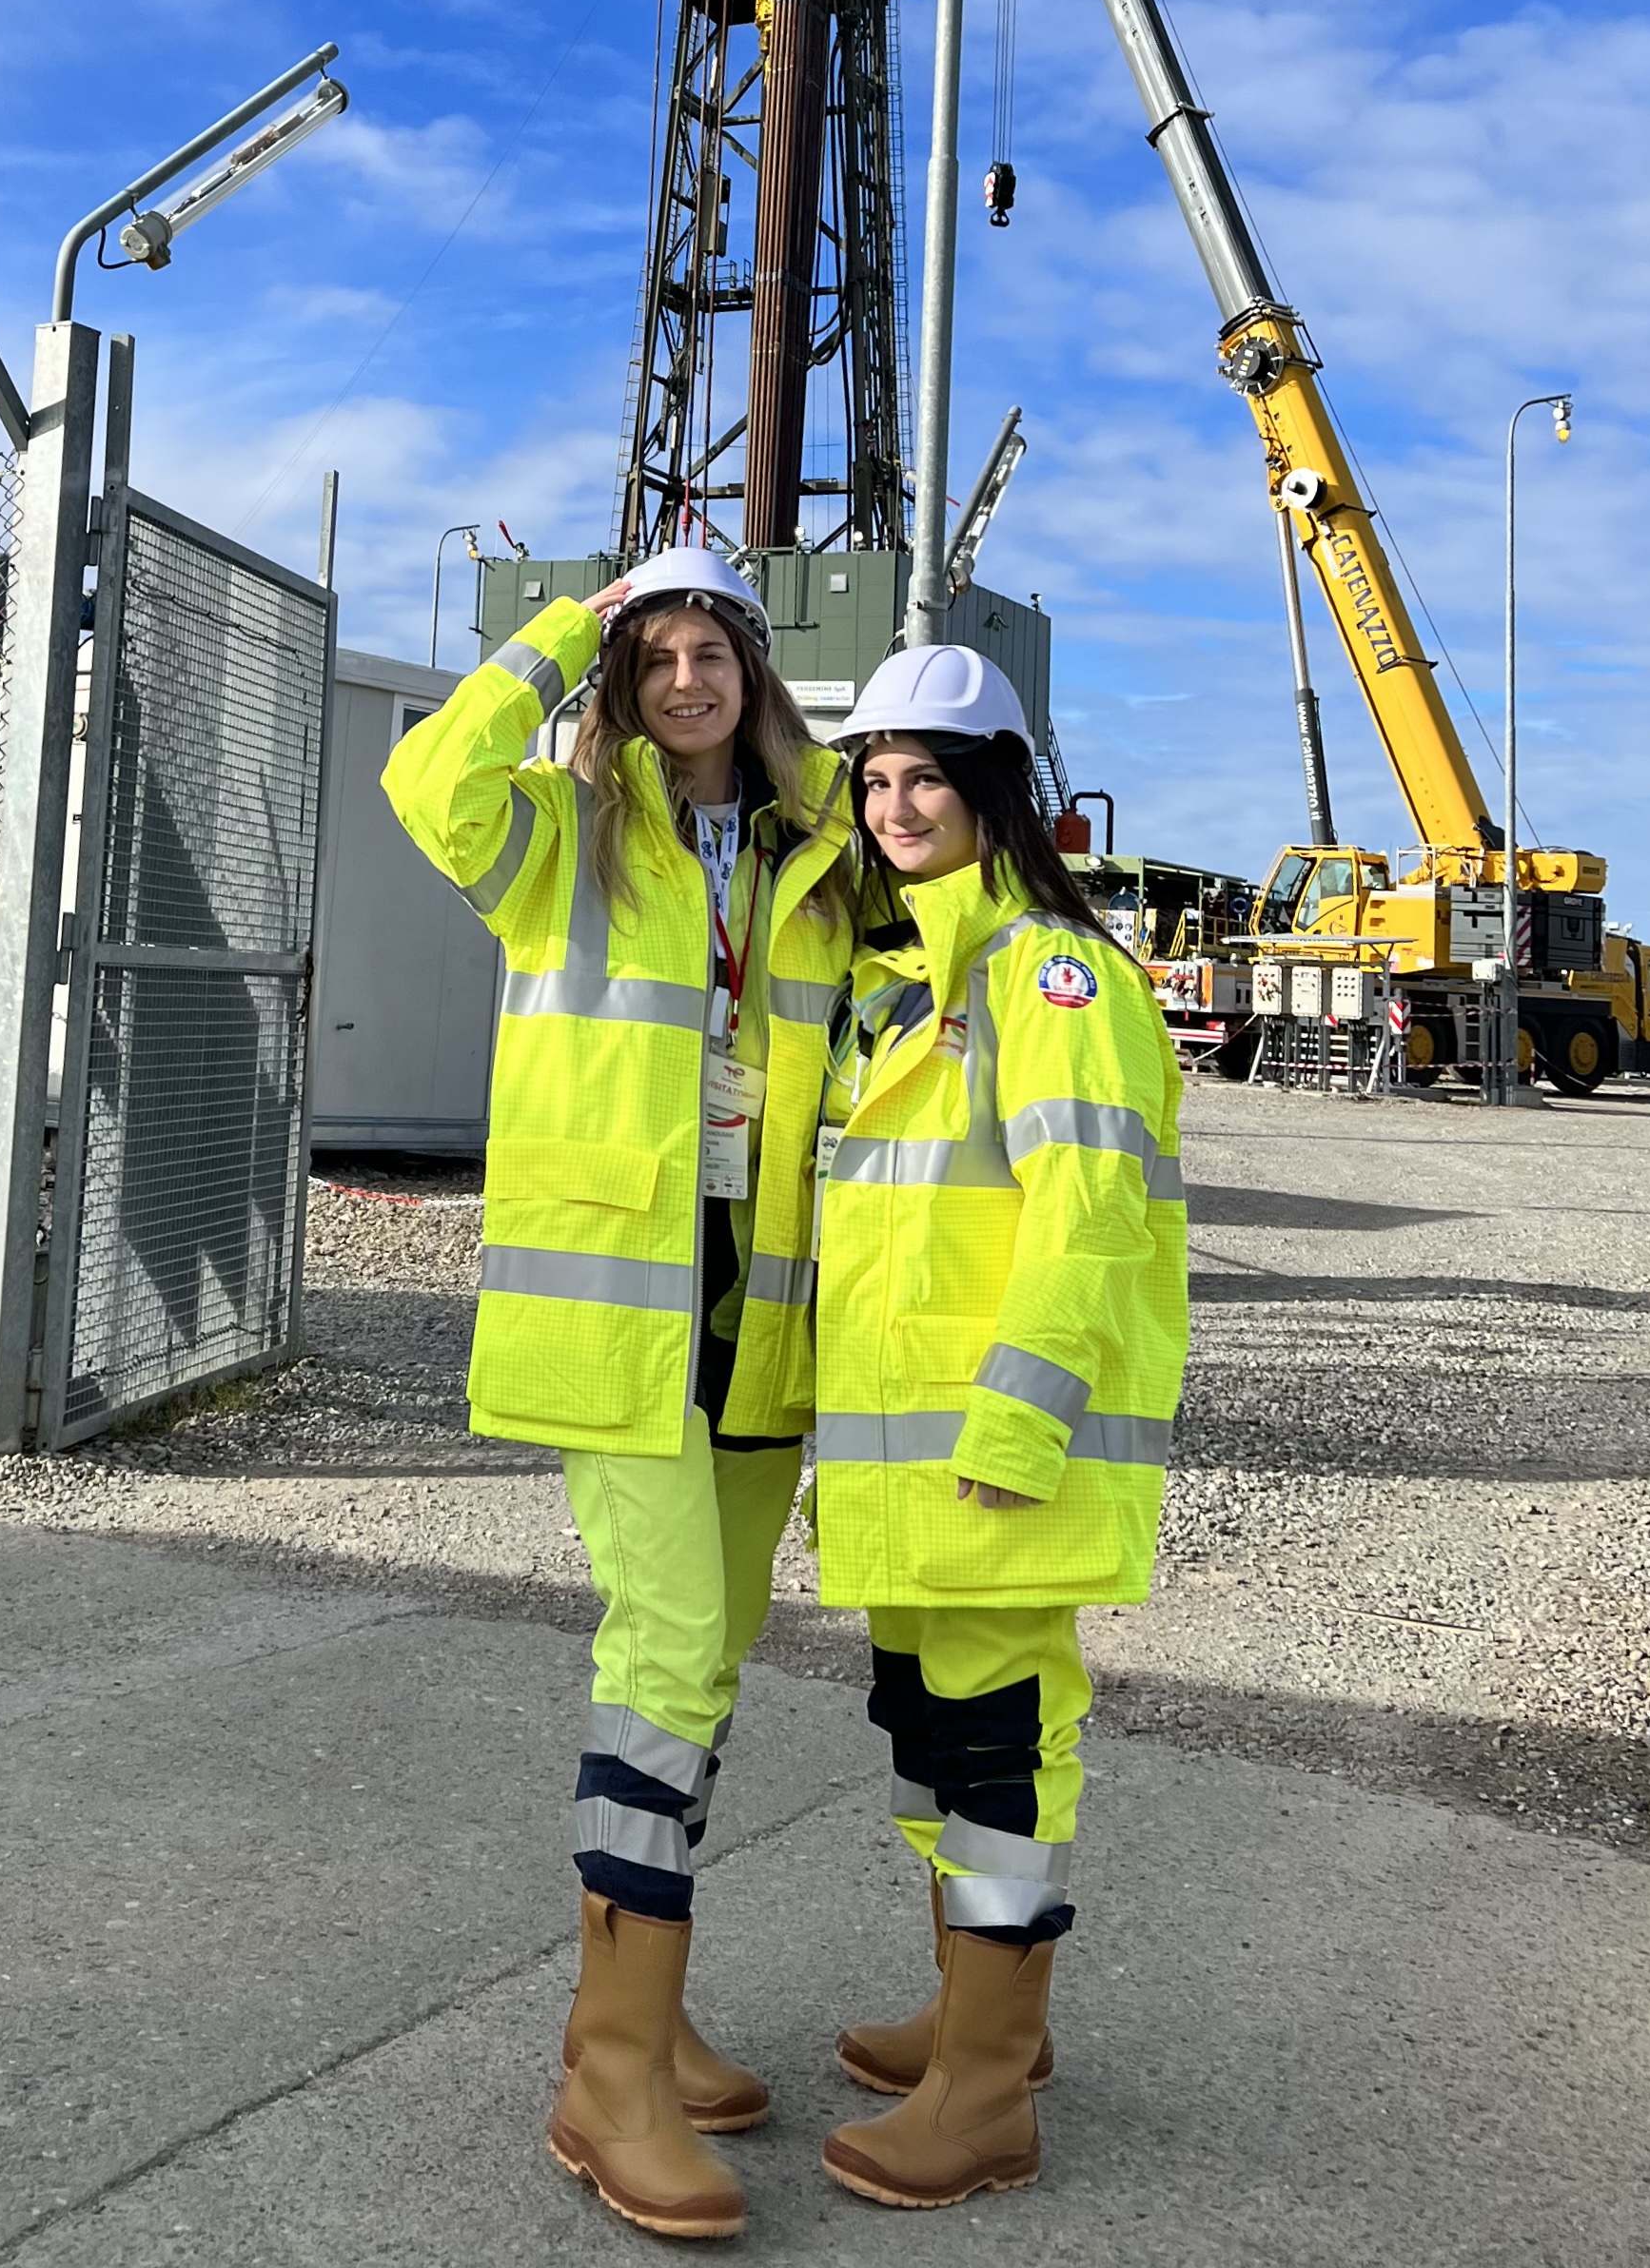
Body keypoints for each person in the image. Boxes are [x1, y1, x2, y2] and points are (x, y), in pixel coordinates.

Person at [383, 547, 852, 2242]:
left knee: (711, 1656)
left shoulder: (812, 854)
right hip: (617, 1308)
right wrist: (560, 628)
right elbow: (422, 778)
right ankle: (609, 2071)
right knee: (666, 1644)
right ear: (620, 684)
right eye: (652, 658)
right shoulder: (559, 838)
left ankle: (646, 2016)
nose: (683, 681)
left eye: (709, 651)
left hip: (762, 1307)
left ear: (752, 673)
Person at [804, 643, 1187, 2212]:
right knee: (928, 1736)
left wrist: (1018, 1431)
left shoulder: (1046, 975)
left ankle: (983, 2094)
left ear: (991, 795)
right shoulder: (912, 981)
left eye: (926, 780)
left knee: (998, 1747)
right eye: (876, 780)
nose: (896, 807)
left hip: (992, 1454)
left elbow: (1087, 1220)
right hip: (917, 1459)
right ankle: (979, 2026)